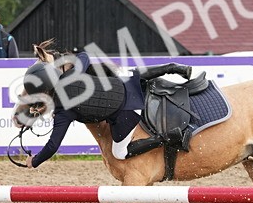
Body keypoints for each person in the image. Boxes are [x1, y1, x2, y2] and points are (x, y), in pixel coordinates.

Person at [21, 51, 191, 168]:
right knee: (133, 74)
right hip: (126, 85)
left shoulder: (62, 111)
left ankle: (166, 137)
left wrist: (34, 161)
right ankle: (172, 68)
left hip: (128, 111)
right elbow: (84, 55)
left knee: (120, 152)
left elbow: (52, 146)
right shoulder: (72, 74)